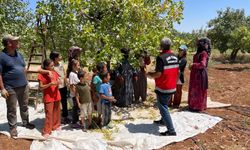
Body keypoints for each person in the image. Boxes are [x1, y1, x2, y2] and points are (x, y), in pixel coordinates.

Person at [0, 34, 35, 138]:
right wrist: (2, 88)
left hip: (23, 85)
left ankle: (25, 122)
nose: (18, 42)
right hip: (10, 87)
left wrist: (26, 80)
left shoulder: (18, 54)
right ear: (9, 43)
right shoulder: (1, 56)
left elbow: (23, 68)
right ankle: (13, 128)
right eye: (15, 41)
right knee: (12, 108)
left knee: (24, 106)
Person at [147, 37, 178, 136]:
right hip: (172, 86)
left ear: (161, 46)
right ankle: (163, 121)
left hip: (163, 87)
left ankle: (171, 130)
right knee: (165, 104)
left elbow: (159, 74)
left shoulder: (161, 57)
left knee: (163, 107)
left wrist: (150, 75)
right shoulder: (175, 56)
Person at [38, 59, 61, 138]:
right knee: (49, 114)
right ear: (46, 67)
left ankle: (56, 125)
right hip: (48, 96)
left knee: (56, 111)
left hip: (56, 94)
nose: (53, 67)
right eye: (51, 66)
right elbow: (41, 87)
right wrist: (50, 84)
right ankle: (47, 130)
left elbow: (58, 81)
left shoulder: (54, 72)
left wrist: (58, 82)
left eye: (53, 65)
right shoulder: (41, 75)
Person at [188, 37, 211, 111]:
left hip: (200, 75)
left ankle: (197, 106)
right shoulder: (199, 52)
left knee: (198, 90)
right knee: (194, 89)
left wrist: (193, 65)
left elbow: (202, 64)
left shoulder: (203, 53)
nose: (197, 44)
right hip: (195, 74)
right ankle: (193, 105)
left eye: (199, 43)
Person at [49, 51, 70, 124]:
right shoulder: (51, 66)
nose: (61, 57)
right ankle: (56, 118)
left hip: (63, 85)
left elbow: (64, 73)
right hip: (56, 87)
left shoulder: (61, 64)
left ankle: (65, 116)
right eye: (59, 56)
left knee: (64, 101)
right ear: (55, 58)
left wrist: (66, 81)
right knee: (56, 102)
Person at [68, 59, 81, 128]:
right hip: (75, 95)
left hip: (77, 94)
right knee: (75, 108)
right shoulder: (72, 74)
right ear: (73, 66)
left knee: (77, 108)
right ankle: (74, 122)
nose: (79, 66)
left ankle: (76, 121)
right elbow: (72, 86)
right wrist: (76, 95)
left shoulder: (76, 73)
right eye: (78, 65)